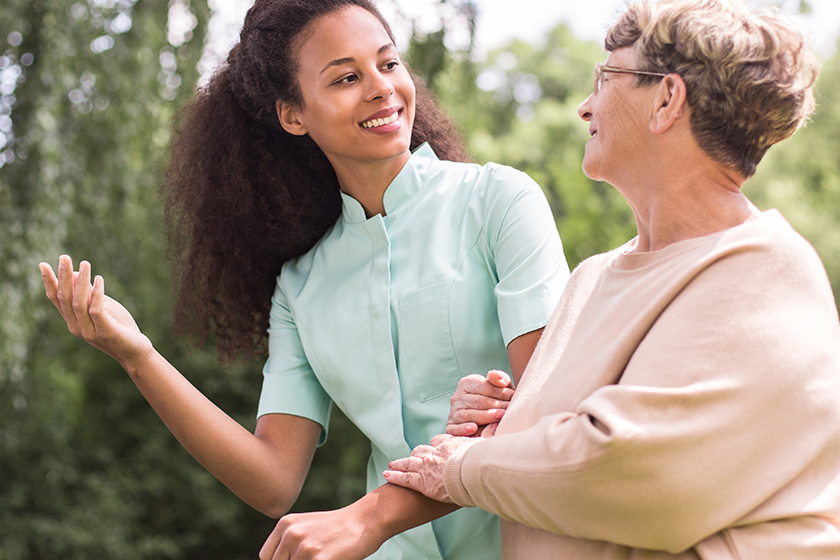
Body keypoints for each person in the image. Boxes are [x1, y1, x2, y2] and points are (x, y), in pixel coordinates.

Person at [39, 0, 569, 559]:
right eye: (345, 77)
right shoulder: (300, 284)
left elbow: (543, 411)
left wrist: (369, 518)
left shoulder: (499, 201)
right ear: (294, 115)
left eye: (389, 65)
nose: (381, 88)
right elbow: (272, 480)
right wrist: (139, 356)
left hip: (532, 542)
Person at [384, 0, 840, 557]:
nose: (583, 106)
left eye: (606, 77)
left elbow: (635, 473)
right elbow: (552, 466)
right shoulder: (591, 279)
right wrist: (494, 429)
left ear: (667, 99)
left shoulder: (764, 269)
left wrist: (464, 467)